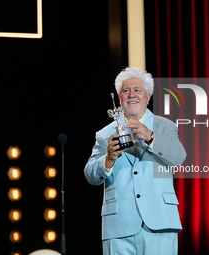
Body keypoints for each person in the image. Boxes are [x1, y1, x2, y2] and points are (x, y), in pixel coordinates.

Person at [84, 67, 186, 255]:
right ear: (119, 97)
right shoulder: (104, 134)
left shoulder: (165, 127)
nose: (132, 95)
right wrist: (108, 159)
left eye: (137, 90)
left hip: (160, 223)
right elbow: (90, 174)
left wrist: (151, 137)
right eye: (126, 90)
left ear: (148, 97)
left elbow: (178, 157)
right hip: (118, 227)